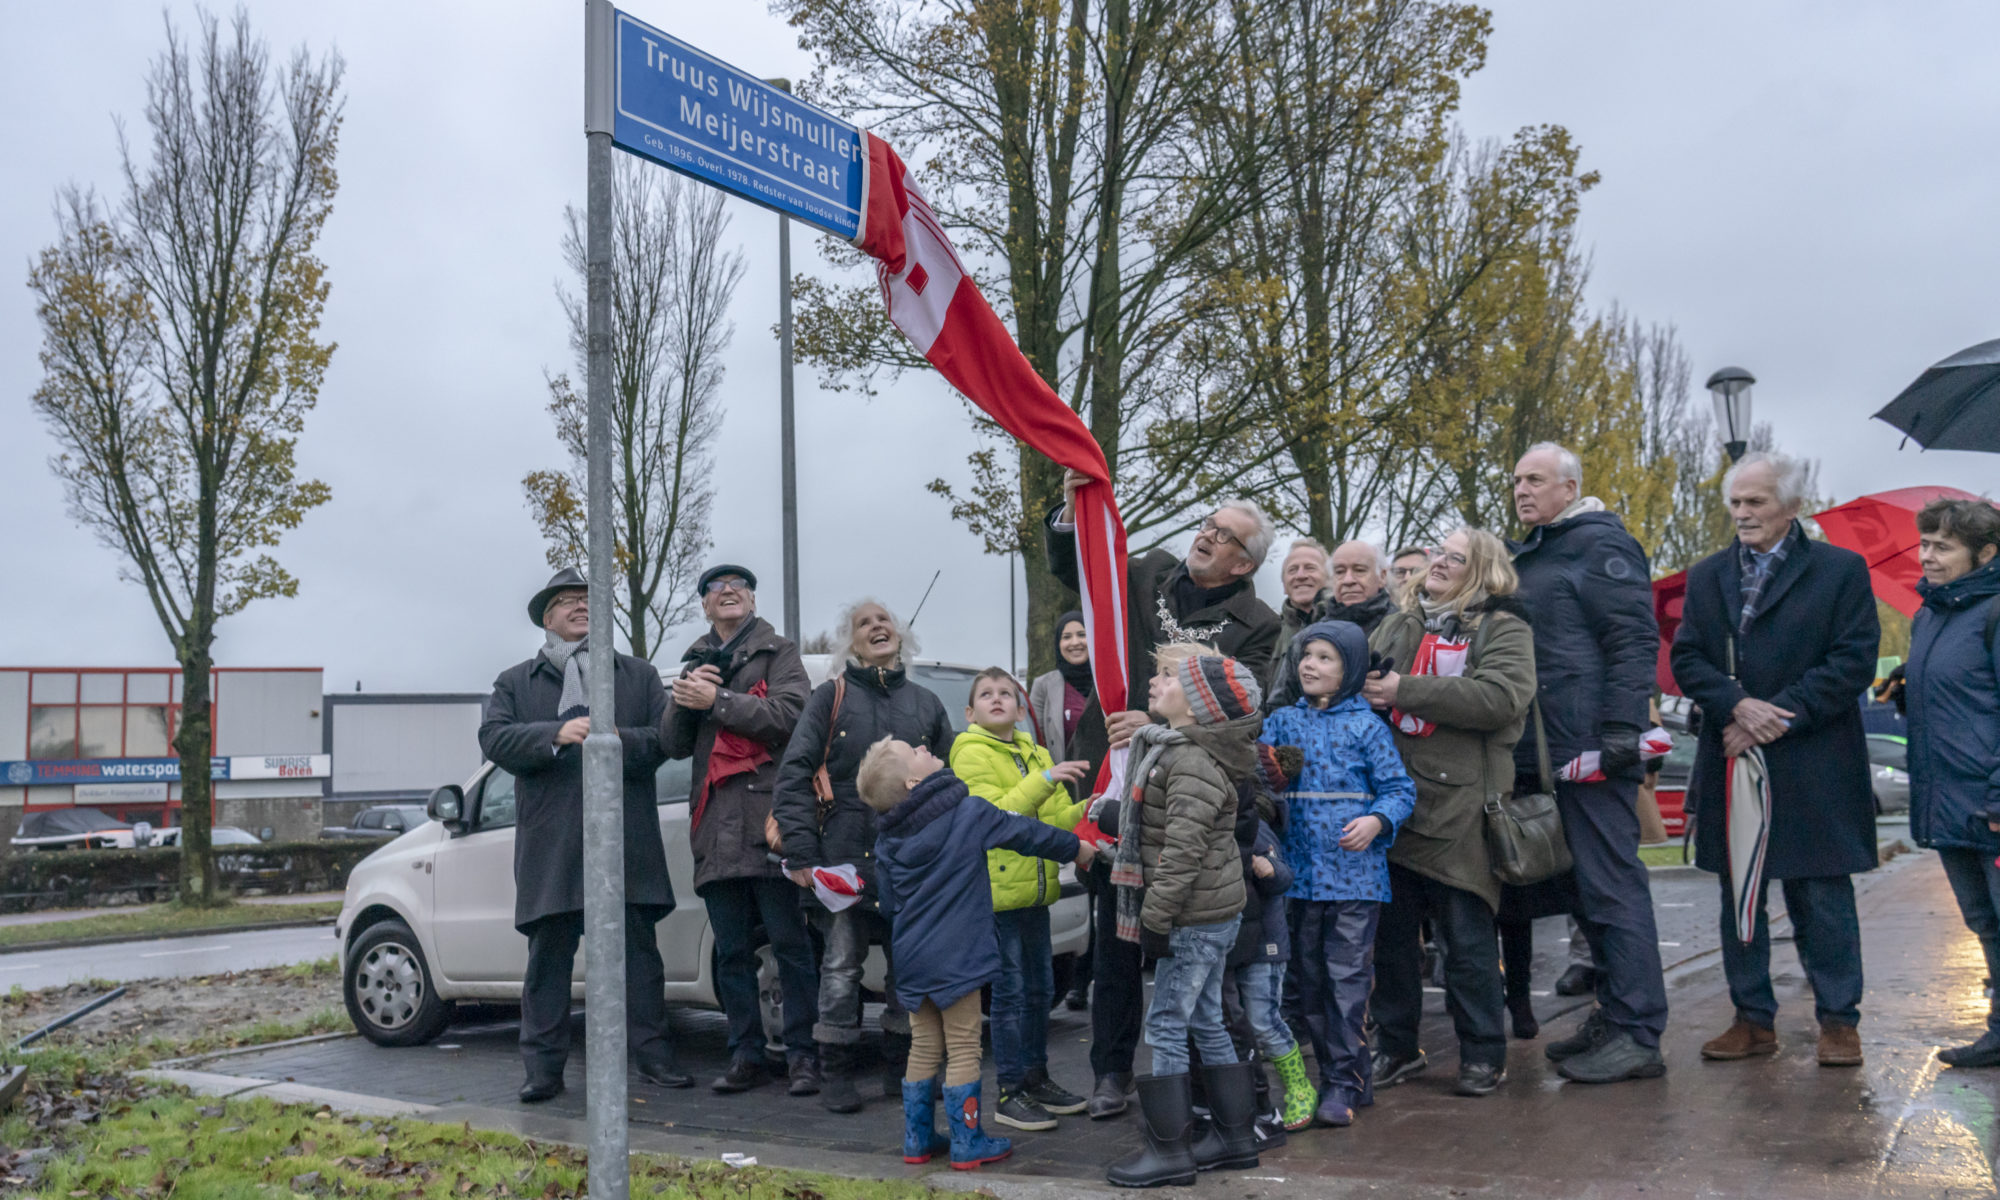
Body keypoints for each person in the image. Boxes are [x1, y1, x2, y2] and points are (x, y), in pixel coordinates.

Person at [1045, 470, 1281, 1119]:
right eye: (1207, 524)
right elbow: (1085, 578)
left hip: (1189, 796)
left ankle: (1207, 1093)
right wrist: (1074, 513)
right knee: (1115, 940)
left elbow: (1244, 706)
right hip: (1114, 776)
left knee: (1194, 951)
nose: (1206, 536)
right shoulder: (1146, 571)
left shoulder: (1258, 624)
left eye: (1223, 534)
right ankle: (1112, 1073)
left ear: (1245, 560)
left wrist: (1155, 724)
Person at [1671, 451, 1880, 1069]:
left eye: (1755, 502)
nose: (1742, 514)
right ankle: (1751, 1018)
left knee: (1821, 895)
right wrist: (1736, 705)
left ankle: (1840, 1021)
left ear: (1791, 505)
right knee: (1741, 893)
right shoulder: (1709, 576)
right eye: (1735, 502)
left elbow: (1852, 662)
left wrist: (1773, 717)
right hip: (1734, 755)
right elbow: (1689, 660)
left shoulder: (1839, 571)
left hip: (1813, 758)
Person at [478, 567, 687, 1103]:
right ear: (546, 618)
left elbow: (665, 740)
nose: (579, 607)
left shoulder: (637, 676)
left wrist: (616, 738)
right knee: (548, 961)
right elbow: (495, 737)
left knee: (640, 958)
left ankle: (654, 1058)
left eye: (588, 599)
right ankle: (543, 1071)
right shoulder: (515, 682)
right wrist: (557, 733)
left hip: (627, 843)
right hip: (554, 847)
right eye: (566, 601)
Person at [1508, 441, 1670, 1084]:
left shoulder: (1600, 546)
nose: (1522, 490)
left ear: (1570, 489)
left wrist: (1621, 733)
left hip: (1591, 750)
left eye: (1537, 480)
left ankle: (1638, 1032)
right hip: (1549, 749)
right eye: (1518, 480)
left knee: (1611, 888)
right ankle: (1615, 1013)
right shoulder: (1544, 549)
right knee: (1585, 894)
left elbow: (1632, 639)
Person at [860, 736, 1095, 1170]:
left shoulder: (889, 837)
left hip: (912, 957)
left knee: (925, 1044)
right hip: (959, 956)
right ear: (915, 780)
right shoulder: (966, 812)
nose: (926, 747)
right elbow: (1024, 833)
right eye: (916, 751)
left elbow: (890, 903)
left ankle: (917, 1139)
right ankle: (968, 1140)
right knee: (965, 1045)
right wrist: (1075, 847)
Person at [1364, 530, 1535, 1097]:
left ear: (1482, 573)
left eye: (1454, 558)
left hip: (1460, 810)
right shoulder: (1404, 618)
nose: (1438, 562)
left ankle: (1484, 1053)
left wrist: (1404, 689)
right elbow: (1368, 677)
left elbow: (1500, 700)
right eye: (1437, 554)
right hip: (1392, 805)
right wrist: (1411, 614)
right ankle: (1395, 1047)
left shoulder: (1503, 629)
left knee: (1467, 945)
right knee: (1391, 945)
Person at [773, 598, 954, 1114]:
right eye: (863, 623)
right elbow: (793, 776)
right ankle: (836, 1074)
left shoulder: (926, 703)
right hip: (842, 859)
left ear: (901, 635)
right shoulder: (829, 696)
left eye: (884, 620)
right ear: (849, 643)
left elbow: (949, 781)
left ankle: (902, 1071)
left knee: (910, 967)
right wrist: (804, 856)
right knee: (840, 967)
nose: (877, 627)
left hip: (913, 862)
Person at [1092, 647, 1262, 1187]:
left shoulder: (1189, 759)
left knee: (1166, 1021)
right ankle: (1235, 1139)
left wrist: (1156, 919)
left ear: (1198, 703)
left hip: (1193, 916)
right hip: (1208, 913)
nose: (1156, 682)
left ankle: (1169, 1151)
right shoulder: (1179, 748)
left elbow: (1183, 850)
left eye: (1170, 677)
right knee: (1206, 1017)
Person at [661, 564, 819, 1096]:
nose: (727, 592)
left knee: (790, 946)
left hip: (770, 824)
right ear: (705, 606)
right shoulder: (695, 663)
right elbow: (674, 744)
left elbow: (792, 715)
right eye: (714, 589)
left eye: (738, 587)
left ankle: (802, 1056)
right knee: (730, 954)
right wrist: (687, 699)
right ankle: (744, 1054)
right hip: (715, 829)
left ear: (751, 600)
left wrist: (720, 702)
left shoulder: (781, 653)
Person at [1262, 620, 1416, 1126]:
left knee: (1345, 982)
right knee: (1307, 985)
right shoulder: (1283, 722)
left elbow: (1399, 790)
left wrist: (1376, 820)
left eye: (1325, 658)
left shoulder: (1368, 725)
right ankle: (1351, 1078)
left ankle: (1341, 1083)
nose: (1311, 665)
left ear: (1349, 669)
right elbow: (1262, 780)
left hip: (1354, 878)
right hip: (1298, 877)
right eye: (1306, 656)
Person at [948, 667, 1093, 1130]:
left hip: (1035, 892)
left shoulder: (1033, 752)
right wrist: (1046, 777)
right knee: (1009, 996)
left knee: (1039, 991)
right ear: (970, 712)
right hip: (996, 896)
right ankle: (1009, 1091)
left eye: (1006, 693)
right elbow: (997, 814)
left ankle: (1036, 1078)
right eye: (986, 694)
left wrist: (1091, 808)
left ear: (1020, 707)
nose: (997, 699)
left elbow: (1052, 825)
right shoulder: (969, 752)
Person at [1897, 497, 2000, 1068]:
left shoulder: (1994, 611)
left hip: (1989, 799)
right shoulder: (1930, 614)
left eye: (1942, 546)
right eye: (1925, 543)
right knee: (1983, 921)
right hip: (1950, 799)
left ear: (1984, 554)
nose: (1927, 557)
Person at [1027, 610, 1105, 1011]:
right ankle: (1075, 978)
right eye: (1066, 637)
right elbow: (1037, 738)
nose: (1074, 642)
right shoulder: (1045, 685)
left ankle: (1090, 974)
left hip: (1104, 794)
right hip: (1063, 795)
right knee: (1078, 882)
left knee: (1102, 888)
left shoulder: (1109, 678)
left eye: (1082, 635)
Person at [1266, 542, 1396, 710]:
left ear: (1382, 576)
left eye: (1359, 570)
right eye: (1340, 572)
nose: (1348, 580)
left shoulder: (1406, 628)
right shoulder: (1306, 637)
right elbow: (1279, 707)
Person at [1277, 538, 1331, 653]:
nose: (1300, 576)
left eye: (1310, 568)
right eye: (1292, 570)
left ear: (1329, 579)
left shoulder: (1352, 625)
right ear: (1284, 585)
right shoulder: (1269, 634)